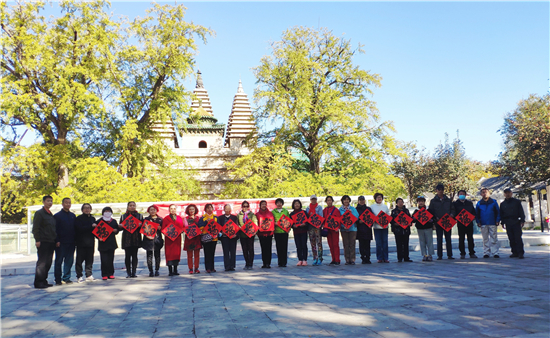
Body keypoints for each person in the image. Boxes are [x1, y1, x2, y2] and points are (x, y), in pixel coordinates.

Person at [33, 195, 57, 289]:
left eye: (51, 201)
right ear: (43, 202)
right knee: (42, 263)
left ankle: (44, 280)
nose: (50, 203)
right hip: (43, 241)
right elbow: (36, 228)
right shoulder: (40, 213)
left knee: (48, 262)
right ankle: (38, 282)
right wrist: (37, 240)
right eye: (48, 201)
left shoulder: (50, 214)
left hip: (51, 241)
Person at [428, 184, 455, 260]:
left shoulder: (448, 200)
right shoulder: (433, 201)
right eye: (439, 189)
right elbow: (431, 211)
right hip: (438, 221)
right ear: (436, 190)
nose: (440, 191)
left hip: (447, 221)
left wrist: (452, 214)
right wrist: (435, 218)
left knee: (448, 238)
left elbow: (453, 209)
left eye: (442, 189)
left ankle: (450, 254)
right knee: (439, 239)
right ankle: (440, 255)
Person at [54, 197, 77, 285]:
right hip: (61, 242)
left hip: (71, 242)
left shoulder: (72, 216)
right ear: (62, 204)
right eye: (66, 203)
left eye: (69, 203)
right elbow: (55, 229)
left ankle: (66, 277)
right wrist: (57, 240)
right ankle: (58, 279)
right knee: (59, 261)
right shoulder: (57, 216)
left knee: (69, 261)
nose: (68, 204)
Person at [94, 207, 119, 280]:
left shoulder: (113, 221)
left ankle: (111, 273)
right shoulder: (99, 221)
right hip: (103, 243)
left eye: (109, 211)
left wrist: (116, 230)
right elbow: (95, 231)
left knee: (111, 259)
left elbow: (117, 230)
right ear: (103, 212)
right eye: (106, 211)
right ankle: (104, 274)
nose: (107, 212)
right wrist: (99, 237)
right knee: (104, 260)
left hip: (111, 243)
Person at [500, 188, 526, 259]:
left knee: (518, 238)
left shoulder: (516, 202)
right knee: (511, 238)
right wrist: (502, 222)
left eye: (509, 192)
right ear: (504, 194)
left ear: (511, 193)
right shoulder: (502, 204)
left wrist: (522, 220)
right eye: (506, 193)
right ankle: (514, 252)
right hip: (508, 222)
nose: (507, 194)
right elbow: (501, 214)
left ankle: (520, 252)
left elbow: (521, 211)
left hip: (516, 222)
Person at [119, 201, 143, 278]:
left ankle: (134, 272)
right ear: (128, 206)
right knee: (127, 256)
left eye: (133, 205)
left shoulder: (139, 216)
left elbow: (144, 228)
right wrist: (120, 226)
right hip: (126, 238)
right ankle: (128, 272)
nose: (132, 207)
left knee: (135, 255)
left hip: (136, 238)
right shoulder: (123, 216)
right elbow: (119, 228)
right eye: (130, 205)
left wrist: (141, 225)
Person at [476, 188, 501, 258]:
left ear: (489, 193)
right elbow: (477, 214)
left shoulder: (493, 202)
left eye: (486, 192)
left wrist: (497, 220)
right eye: (483, 192)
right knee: (485, 239)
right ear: (481, 194)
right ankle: (486, 252)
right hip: (483, 223)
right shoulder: (479, 203)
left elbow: (498, 212)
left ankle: (495, 252)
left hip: (492, 222)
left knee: (494, 238)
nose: (485, 194)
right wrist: (478, 221)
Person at [452, 190, 477, 259]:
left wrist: (473, 217)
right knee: (461, 239)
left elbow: (473, 211)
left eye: (463, 194)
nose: (462, 195)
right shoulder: (455, 203)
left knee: (470, 238)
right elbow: (454, 212)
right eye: (460, 194)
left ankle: (472, 253)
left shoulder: (469, 203)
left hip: (469, 223)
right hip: (460, 223)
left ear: (466, 195)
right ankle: (462, 253)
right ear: (458, 195)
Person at [74, 203, 96, 283]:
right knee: (79, 260)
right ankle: (79, 276)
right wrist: (91, 226)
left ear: (91, 209)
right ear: (82, 209)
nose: (87, 209)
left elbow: (96, 230)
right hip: (81, 242)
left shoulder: (93, 218)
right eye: (85, 208)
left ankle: (89, 274)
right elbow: (79, 229)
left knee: (90, 259)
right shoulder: (78, 218)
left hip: (90, 242)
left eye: (88, 208)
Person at [162, 204, 184, 276]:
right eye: (171, 208)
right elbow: (163, 229)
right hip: (169, 239)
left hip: (177, 239)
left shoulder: (180, 218)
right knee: (169, 254)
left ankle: (175, 270)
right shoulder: (166, 218)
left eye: (174, 208)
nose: (173, 210)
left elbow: (182, 227)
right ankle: (170, 271)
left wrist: (180, 230)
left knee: (176, 254)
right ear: (169, 209)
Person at [412, 196, 435, 262]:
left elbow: (433, 218)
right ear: (417, 202)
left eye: (422, 201)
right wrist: (414, 218)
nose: (421, 203)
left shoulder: (428, 210)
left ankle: (430, 255)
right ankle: (424, 255)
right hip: (420, 228)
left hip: (428, 227)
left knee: (429, 241)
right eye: (419, 201)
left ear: (424, 202)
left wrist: (430, 220)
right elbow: (412, 220)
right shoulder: (416, 211)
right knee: (422, 242)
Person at [143, 205, 163, 277]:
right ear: (148, 211)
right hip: (148, 240)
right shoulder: (146, 219)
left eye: (154, 210)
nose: (152, 211)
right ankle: (150, 271)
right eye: (151, 210)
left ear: (156, 210)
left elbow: (164, 229)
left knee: (157, 255)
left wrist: (160, 228)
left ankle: (157, 270)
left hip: (157, 239)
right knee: (149, 256)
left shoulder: (160, 219)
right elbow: (143, 229)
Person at [390, 198, 413, 263]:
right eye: (399, 202)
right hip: (397, 230)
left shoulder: (406, 211)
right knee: (399, 244)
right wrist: (395, 224)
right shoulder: (394, 211)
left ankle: (406, 257)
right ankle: (399, 257)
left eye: (401, 202)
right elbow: (391, 220)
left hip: (406, 230)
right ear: (396, 203)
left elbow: (410, 219)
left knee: (406, 244)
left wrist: (410, 223)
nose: (400, 203)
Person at [339, 195, 359, 265]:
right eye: (345, 200)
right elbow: (338, 220)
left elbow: (357, 217)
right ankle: (347, 259)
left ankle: (352, 259)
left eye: (347, 199)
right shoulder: (340, 210)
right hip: (344, 229)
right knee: (346, 244)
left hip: (352, 229)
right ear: (342, 201)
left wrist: (351, 213)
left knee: (352, 244)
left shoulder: (353, 209)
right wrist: (342, 226)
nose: (346, 201)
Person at [219, 204, 239, 271]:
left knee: (233, 252)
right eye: (226, 209)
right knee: (226, 252)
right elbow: (218, 228)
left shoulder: (234, 217)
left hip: (233, 237)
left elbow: (237, 227)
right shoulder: (220, 218)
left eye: (229, 209)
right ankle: (227, 266)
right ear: (224, 210)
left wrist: (236, 235)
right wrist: (222, 232)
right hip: (224, 237)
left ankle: (232, 266)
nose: (227, 210)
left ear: (231, 210)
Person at [371, 193, 390, 263]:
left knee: (385, 242)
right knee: (378, 243)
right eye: (377, 197)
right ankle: (379, 257)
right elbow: (371, 216)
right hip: (376, 227)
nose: (379, 199)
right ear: (375, 199)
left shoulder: (385, 206)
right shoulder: (372, 207)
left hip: (385, 227)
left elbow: (388, 215)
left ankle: (386, 257)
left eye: (380, 197)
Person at [199, 204, 218, 273]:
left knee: (212, 253)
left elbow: (218, 226)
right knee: (207, 253)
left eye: (211, 208)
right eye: (208, 208)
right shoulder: (202, 218)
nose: (209, 209)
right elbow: (200, 226)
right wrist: (206, 222)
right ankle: (208, 268)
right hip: (205, 238)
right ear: (205, 209)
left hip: (214, 238)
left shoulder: (215, 217)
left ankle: (212, 267)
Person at [238, 201, 257, 270]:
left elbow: (255, 223)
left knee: (251, 249)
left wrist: (255, 230)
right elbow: (237, 224)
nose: (245, 208)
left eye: (246, 206)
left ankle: (250, 263)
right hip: (242, 235)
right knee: (244, 249)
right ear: (242, 207)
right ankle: (247, 263)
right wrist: (239, 227)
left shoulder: (252, 215)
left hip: (250, 235)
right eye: (244, 206)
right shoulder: (239, 215)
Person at [305, 195, 324, 266]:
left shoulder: (319, 207)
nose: (313, 200)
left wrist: (314, 216)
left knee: (319, 243)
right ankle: (314, 258)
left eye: (315, 199)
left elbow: (321, 217)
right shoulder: (308, 208)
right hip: (310, 228)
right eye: (312, 199)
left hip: (317, 227)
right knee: (312, 243)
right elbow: (307, 217)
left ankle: (320, 257)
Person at [256, 200, 275, 269]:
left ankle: (268, 263)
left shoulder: (270, 213)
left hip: (269, 234)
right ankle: (264, 263)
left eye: (265, 204)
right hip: (261, 234)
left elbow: (272, 222)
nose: (264, 205)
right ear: (260, 206)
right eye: (262, 204)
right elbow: (256, 223)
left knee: (269, 248)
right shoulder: (257, 214)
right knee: (263, 249)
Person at [272, 198, 290, 267]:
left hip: (284, 232)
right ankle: (280, 261)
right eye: (278, 203)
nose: (279, 204)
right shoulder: (273, 212)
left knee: (284, 247)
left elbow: (288, 221)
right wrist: (275, 223)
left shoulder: (285, 211)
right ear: (276, 204)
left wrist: (288, 229)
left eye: (280, 203)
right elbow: (271, 221)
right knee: (278, 247)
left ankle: (284, 262)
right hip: (277, 232)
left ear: (282, 204)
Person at [323, 196, 341, 265]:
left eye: (330, 200)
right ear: (326, 202)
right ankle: (333, 259)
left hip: (334, 230)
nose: (329, 202)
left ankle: (337, 259)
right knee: (330, 245)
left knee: (335, 245)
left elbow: (338, 220)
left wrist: (338, 228)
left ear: (332, 201)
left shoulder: (336, 210)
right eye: (328, 200)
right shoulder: (324, 210)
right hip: (328, 230)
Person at [184, 204, 201, 274]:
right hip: (189, 239)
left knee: (197, 254)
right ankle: (190, 268)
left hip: (197, 238)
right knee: (189, 255)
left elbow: (200, 227)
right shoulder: (185, 219)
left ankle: (196, 268)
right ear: (188, 210)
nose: (191, 211)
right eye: (190, 209)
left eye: (193, 209)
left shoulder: (198, 218)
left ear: (195, 210)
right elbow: (184, 228)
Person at [355, 196, 373, 264]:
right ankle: (363, 257)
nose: (362, 201)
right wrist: (359, 221)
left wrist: (370, 224)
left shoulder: (368, 209)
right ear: (358, 201)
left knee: (368, 244)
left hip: (367, 229)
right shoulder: (356, 209)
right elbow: (354, 219)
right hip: (360, 229)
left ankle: (368, 257)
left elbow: (372, 218)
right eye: (360, 200)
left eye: (363, 200)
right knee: (361, 244)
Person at [291, 199, 309, 266]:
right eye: (295, 203)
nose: (297, 205)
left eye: (298, 203)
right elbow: (290, 223)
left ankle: (305, 260)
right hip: (296, 232)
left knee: (304, 245)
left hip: (303, 231)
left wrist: (305, 224)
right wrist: (293, 226)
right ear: (293, 205)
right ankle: (300, 259)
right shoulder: (292, 214)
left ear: (300, 204)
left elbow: (308, 221)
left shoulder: (304, 212)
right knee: (298, 246)